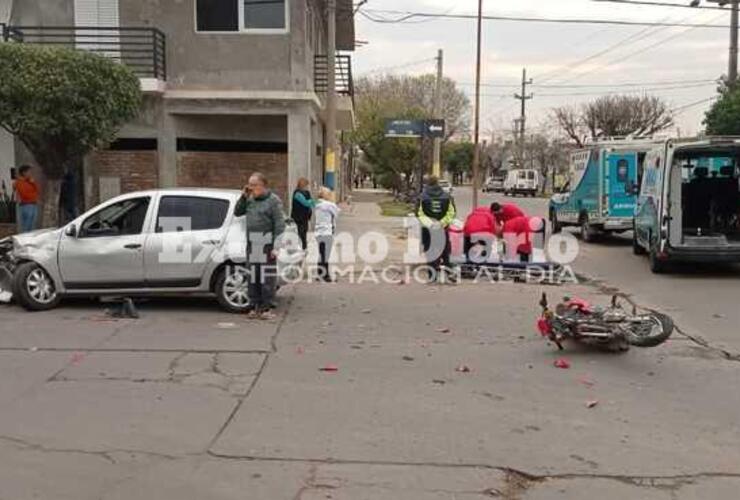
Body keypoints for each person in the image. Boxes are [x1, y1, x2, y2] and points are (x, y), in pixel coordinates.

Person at [234, 173, 286, 320]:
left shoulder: (273, 201)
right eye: (249, 185)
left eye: (253, 185)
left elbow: (279, 225)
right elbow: (237, 212)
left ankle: (266, 308)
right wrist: (243, 197)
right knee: (253, 275)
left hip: (267, 243)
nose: (250, 188)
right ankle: (254, 305)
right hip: (253, 242)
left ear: (262, 186)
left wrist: (276, 246)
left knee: (266, 277)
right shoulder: (249, 199)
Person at [417, 176, 456, 278]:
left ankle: (432, 275)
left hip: (428, 229)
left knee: (430, 251)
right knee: (445, 250)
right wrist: (441, 223)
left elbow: (419, 213)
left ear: (428, 184)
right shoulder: (447, 196)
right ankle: (449, 272)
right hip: (442, 229)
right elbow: (452, 213)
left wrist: (430, 224)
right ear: (438, 183)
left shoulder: (422, 197)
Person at [314, 187, 340, 282]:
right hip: (327, 231)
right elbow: (336, 213)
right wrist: (332, 200)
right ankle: (325, 276)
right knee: (326, 254)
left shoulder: (317, 204)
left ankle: (320, 273)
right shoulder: (329, 205)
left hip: (318, 232)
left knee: (322, 253)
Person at [14, 165, 39, 233]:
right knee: (26, 226)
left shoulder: (30, 181)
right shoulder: (19, 182)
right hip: (26, 205)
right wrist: (33, 195)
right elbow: (24, 194)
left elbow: (37, 191)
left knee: (32, 226)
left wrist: (33, 183)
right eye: (29, 172)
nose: (30, 173)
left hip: (34, 204)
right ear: (24, 173)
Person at [291, 177, 314, 250]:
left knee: (304, 232)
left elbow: (311, 204)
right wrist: (313, 202)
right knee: (300, 233)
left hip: (305, 216)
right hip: (298, 217)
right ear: (302, 185)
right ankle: (301, 247)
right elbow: (306, 203)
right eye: (306, 185)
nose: (307, 187)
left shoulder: (307, 192)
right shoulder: (297, 193)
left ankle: (304, 247)